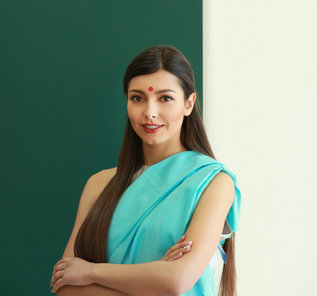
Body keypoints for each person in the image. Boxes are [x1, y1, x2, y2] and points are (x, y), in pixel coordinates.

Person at [50, 45, 241, 295]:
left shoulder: (213, 182)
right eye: (138, 98)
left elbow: (177, 280)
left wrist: (90, 272)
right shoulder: (99, 184)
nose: (150, 113)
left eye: (165, 98)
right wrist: (154, 278)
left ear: (188, 103)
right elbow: (66, 287)